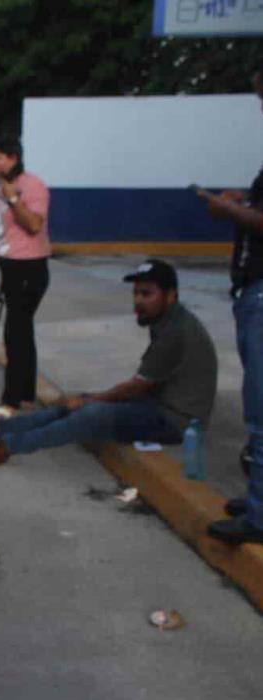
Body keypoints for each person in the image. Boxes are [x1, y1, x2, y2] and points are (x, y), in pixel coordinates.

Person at [0, 260, 217, 469]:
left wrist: (92, 401)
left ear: (171, 295)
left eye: (147, 293)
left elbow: (136, 387)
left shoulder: (176, 331)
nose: (138, 300)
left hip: (175, 421)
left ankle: (5, 448)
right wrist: (89, 398)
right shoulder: (168, 319)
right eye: (136, 293)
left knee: (90, 413)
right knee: (80, 402)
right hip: (157, 403)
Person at [199, 61, 263, 544]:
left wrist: (229, 210)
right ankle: (259, 499)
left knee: (261, 409)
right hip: (251, 289)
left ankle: (259, 517)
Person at [0, 137, 52, 418]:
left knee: (15, 334)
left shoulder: (32, 185)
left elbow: (34, 224)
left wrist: (14, 198)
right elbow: (6, 228)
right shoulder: (0, 189)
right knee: (21, 332)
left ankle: (11, 401)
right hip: (11, 268)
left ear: (13, 158)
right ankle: (26, 395)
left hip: (29, 268)